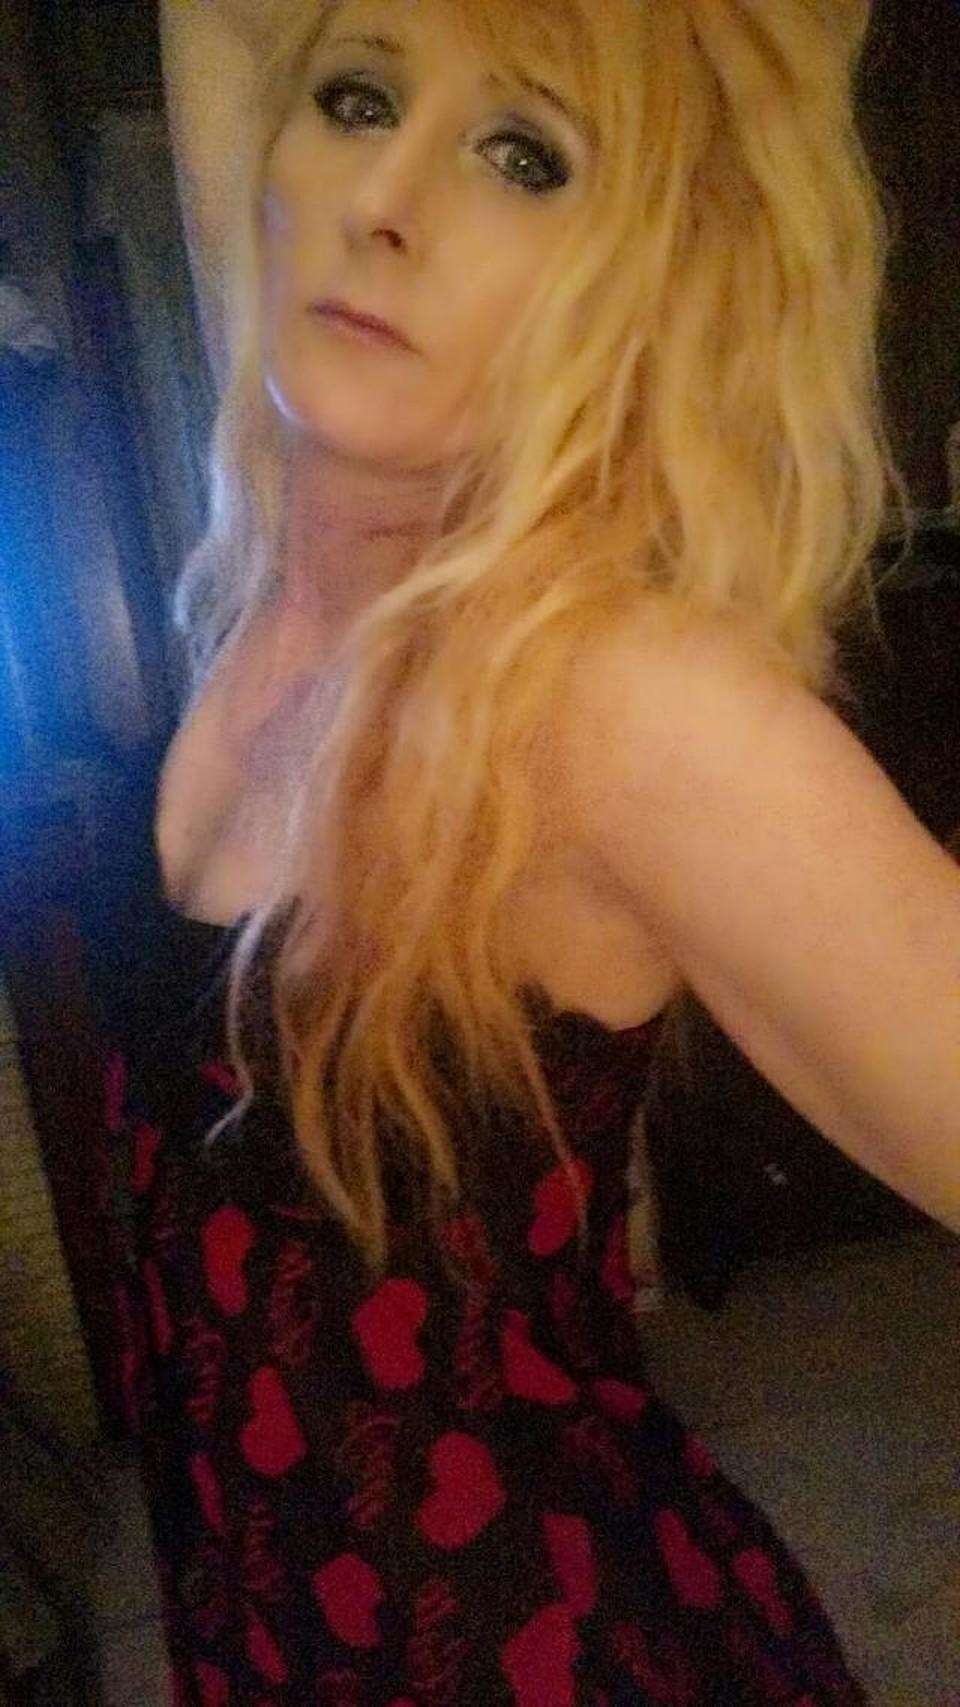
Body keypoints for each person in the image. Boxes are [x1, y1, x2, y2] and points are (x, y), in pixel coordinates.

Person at [103, 0, 960, 1699]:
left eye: (523, 155)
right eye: (358, 98)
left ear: (641, 279)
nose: (383, 201)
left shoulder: (611, 695)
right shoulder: (271, 569)